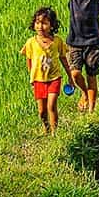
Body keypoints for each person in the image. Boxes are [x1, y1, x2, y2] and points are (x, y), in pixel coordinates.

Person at [20, 7, 70, 135]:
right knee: (42, 111)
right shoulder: (31, 42)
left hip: (54, 78)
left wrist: (70, 76)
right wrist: (32, 77)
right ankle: (46, 127)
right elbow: (29, 60)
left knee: (51, 105)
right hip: (39, 79)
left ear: (52, 25)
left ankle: (54, 133)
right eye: (37, 22)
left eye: (44, 23)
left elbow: (63, 58)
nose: (40, 26)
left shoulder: (57, 41)